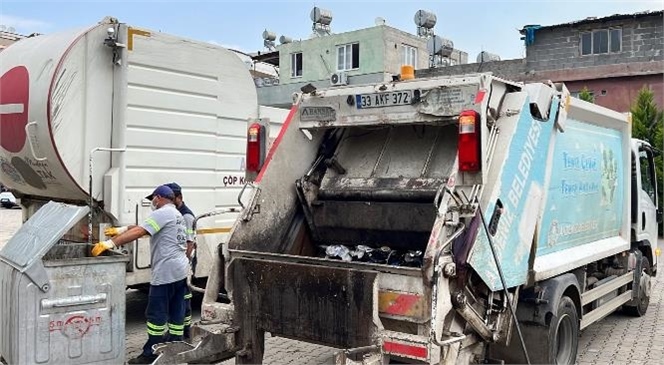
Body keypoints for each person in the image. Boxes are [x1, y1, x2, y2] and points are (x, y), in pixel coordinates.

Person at [92, 185, 189, 364]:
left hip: (165, 272)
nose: (152, 202)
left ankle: (151, 353)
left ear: (159, 198)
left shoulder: (162, 213)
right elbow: (145, 226)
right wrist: (122, 230)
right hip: (180, 270)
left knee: (156, 315)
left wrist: (110, 243)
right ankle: (175, 346)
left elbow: (141, 231)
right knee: (177, 310)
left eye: (153, 198)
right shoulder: (176, 214)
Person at [164, 182, 196, 341]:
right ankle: (180, 331)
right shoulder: (175, 214)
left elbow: (189, 243)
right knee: (178, 299)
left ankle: (186, 331)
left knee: (184, 299)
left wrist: (182, 263)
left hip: (185, 264)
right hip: (179, 263)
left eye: (172, 198)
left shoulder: (186, 216)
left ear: (179, 198)